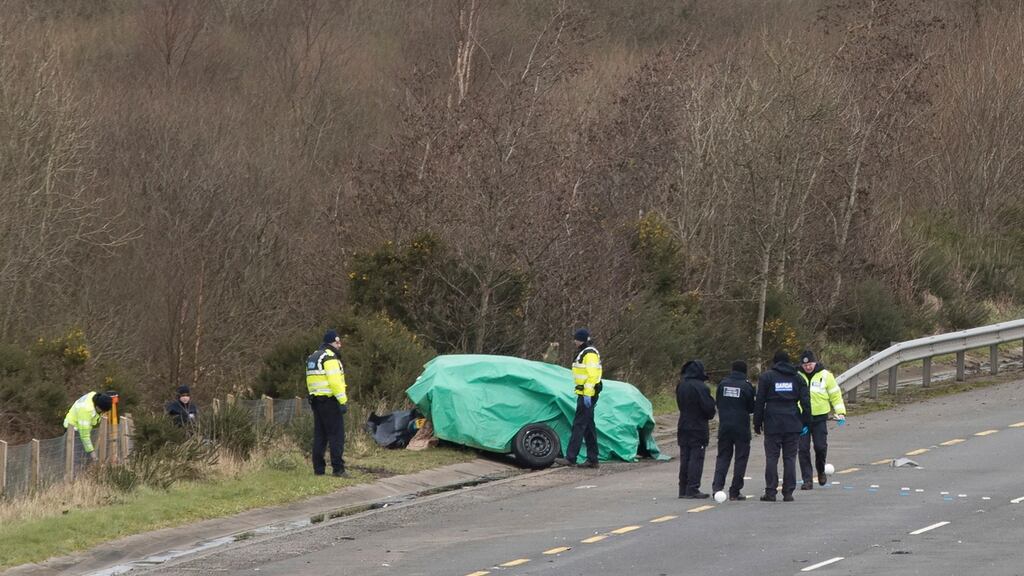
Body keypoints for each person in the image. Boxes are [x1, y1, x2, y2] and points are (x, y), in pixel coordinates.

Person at [753, 350, 811, 502]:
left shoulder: (767, 377)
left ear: (775, 362)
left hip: (772, 421)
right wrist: (806, 421)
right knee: (790, 458)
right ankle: (788, 492)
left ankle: (771, 492)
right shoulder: (797, 378)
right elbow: (806, 402)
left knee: (772, 457)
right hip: (792, 421)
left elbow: (759, 401)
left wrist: (757, 423)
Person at [797, 350, 846, 489]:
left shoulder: (826, 375)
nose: (808, 367)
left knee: (820, 447)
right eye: (805, 365)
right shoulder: (797, 376)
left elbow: (835, 395)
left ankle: (820, 471)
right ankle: (807, 480)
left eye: (810, 364)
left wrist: (840, 412)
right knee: (803, 449)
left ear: (815, 362)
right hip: (802, 419)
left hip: (820, 418)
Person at [305, 329, 349, 477]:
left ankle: (319, 469)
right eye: (338, 342)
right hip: (330, 401)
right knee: (336, 436)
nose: (340, 345)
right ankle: (338, 469)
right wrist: (343, 401)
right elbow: (335, 382)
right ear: (332, 342)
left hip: (316, 401)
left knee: (320, 436)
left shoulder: (313, 357)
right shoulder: (330, 358)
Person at [711, 360, 755, 501]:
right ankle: (735, 491)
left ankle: (717, 488)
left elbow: (718, 402)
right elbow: (751, 408)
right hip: (741, 427)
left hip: (725, 427)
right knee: (740, 459)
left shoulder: (723, 384)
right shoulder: (747, 386)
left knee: (723, 457)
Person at [676, 359, 716, 498]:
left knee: (684, 457)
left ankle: (683, 488)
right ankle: (693, 488)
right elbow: (709, 409)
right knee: (696, 457)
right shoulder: (701, 387)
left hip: (683, 423)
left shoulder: (681, 385)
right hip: (698, 426)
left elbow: (680, 405)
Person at [562, 328, 602, 468]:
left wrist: (587, 393)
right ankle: (593, 458)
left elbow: (592, 375)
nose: (574, 341)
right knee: (588, 426)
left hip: (588, 393)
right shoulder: (585, 352)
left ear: (581, 340)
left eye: (576, 339)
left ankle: (571, 457)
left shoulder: (589, 353)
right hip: (585, 393)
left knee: (579, 424)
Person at [63, 391, 114, 462]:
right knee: (75, 460)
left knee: (83, 455)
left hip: (80, 427)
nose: (103, 413)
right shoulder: (86, 410)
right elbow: (84, 436)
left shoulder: (94, 396)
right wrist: (92, 452)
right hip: (73, 430)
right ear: (97, 406)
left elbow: (94, 418)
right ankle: (74, 472)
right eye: (102, 411)